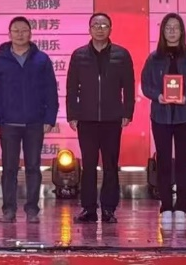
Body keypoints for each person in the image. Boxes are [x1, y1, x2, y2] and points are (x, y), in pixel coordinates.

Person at [0, 16, 59, 224]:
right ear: (9, 34)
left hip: (35, 123)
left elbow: (51, 91)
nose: (20, 34)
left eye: (24, 30)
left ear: (30, 33)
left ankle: (32, 209)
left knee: (33, 167)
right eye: (16, 31)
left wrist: (50, 118)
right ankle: (8, 209)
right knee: (9, 168)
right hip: (8, 123)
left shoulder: (41, 60)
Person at [66, 12, 135, 224]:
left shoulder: (121, 55)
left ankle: (108, 209)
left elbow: (129, 87)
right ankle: (88, 208)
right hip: (86, 119)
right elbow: (72, 88)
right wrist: (72, 114)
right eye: (95, 25)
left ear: (110, 29)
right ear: (89, 29)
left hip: (112, 119)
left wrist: (127, 112)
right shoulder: (79, 55)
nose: (100, 28)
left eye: (104, 25)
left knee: (110, 165)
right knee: (88, 165)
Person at [139, 12, 186, 228]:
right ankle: (166, 206)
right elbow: (145, 85)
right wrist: (158, 95)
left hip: (185, 115)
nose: (172, 31)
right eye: (168, 28)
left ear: (182, 31)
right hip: (161, 116)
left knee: (183, 161)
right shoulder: (153, 58)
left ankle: (182, 206)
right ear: (163, 32)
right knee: (164, 161)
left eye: (176, 27)